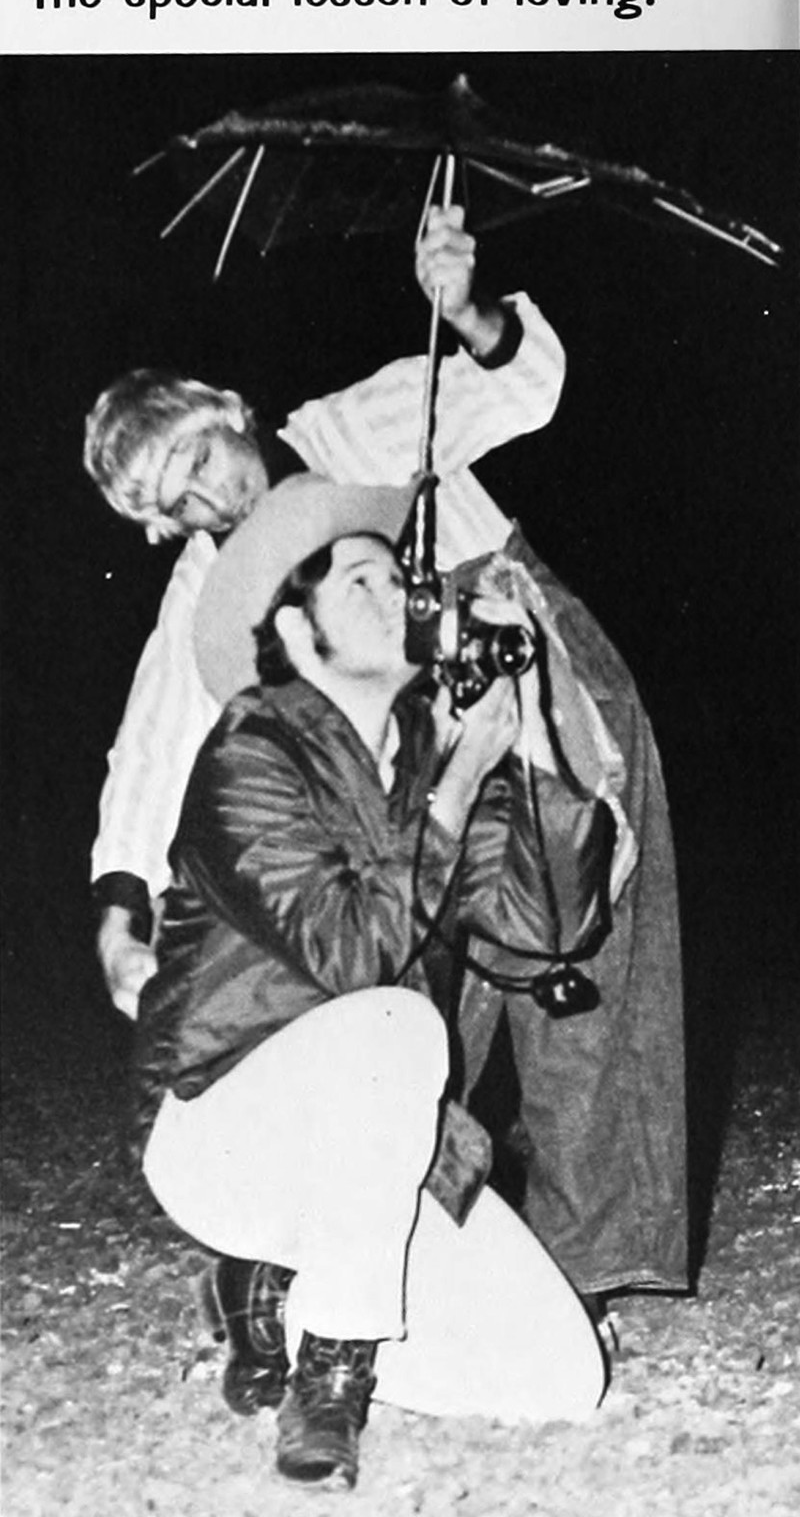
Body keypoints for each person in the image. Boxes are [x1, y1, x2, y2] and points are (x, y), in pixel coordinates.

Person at [85, 207, 687, 1304]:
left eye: (200, 459)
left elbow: (522, 387)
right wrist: (119, 910)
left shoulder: (352, 429)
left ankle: (593, 1266)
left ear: (230, 411)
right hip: (412, 763)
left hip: (529, 680)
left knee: (581, 952)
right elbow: (156, 741)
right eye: (178, 504)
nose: (211, 498)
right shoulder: (212, 582)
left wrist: (466, 309)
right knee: (408, 999)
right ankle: (403, 1262)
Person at [134, 475, 605, 1488]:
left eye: (400, 580)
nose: (399, 597)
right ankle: (333, 1369)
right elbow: (350, 955)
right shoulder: (252, 749)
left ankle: (277, 1295)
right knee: (391, 1022)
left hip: (370, 1160)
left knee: (563, 1377)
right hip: (228, 1138)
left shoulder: (431, 759)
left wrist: (523, 739)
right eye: (360, 582)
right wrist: (456, 789)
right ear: (294, 633)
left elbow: (545, 931)